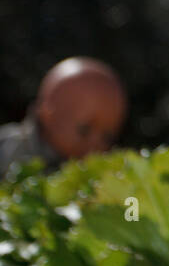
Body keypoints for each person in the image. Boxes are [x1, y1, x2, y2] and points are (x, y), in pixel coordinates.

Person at [0, 58, 128, 179]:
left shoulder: (107, 175)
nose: (95, 148)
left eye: (107, 137)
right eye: (84, 130)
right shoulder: (5, 152)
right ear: (47, 113)